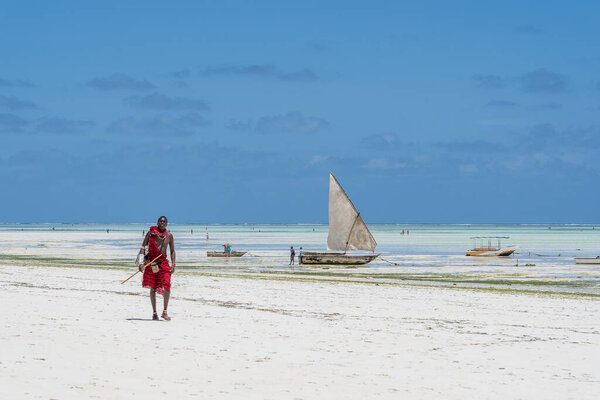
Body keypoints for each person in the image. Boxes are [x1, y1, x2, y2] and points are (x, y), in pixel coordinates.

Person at [138, 216, 176, 321]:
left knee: (167, 285)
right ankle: (154, 312)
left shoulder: (169, 236)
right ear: (157, 222)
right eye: (160, 221)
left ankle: (164, 312)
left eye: (164, 221)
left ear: (166, 223)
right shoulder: (151, 233)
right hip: (151, 263)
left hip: (163, 263)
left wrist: (173, 264)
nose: (162, 223)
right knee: (153, 288)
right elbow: (142, 247)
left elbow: (172, 251)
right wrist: (141, 262)